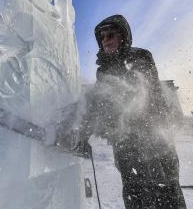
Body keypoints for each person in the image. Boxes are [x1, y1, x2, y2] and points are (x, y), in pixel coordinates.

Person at [78, 14, 186, 208]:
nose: (105, 41)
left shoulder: (139, 57)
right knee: (134, 195)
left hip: (154, 141)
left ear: (122, 37)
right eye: (102, 38)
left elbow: (137, 92)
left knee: (164, 195)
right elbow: (100, 103)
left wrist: (108, 111)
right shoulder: (103, 70)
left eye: (110, 35)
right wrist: (83, 129)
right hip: (125, 148)